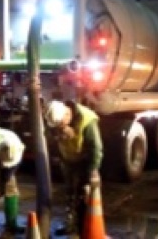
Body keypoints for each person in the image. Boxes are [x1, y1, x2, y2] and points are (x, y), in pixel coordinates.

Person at [44, 100, 103, 236]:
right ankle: (70, 224)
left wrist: (92, 172)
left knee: (83, 195)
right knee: (70, 193)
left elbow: (96, 149)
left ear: (67, 115)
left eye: (60, 125)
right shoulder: (55, 118)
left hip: (84, 162)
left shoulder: (87, 120)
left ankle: (83, 228)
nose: (59, 127)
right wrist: (58, 134)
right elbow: (49, 133)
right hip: (68, 161)